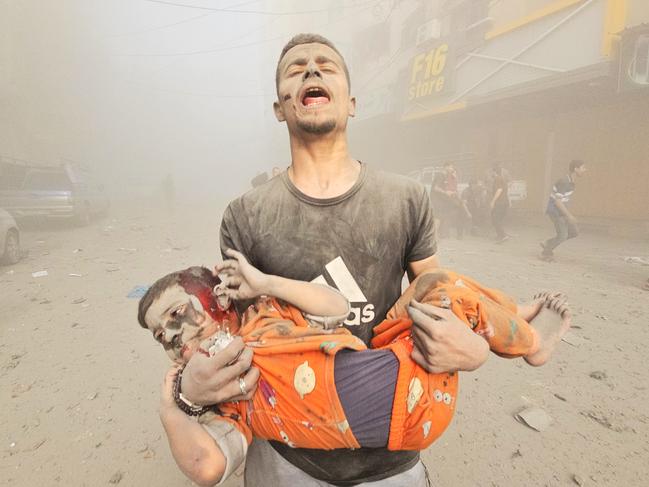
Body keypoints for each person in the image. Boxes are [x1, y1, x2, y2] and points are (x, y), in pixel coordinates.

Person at [177, 33, 489, 486]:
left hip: (392, 454)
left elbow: (440, 298)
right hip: (288, 456)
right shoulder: (245, 215)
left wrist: (474, 350)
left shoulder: (406, 199)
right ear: (280, 109)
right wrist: (189, 392)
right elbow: (234, 334)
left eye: (327, 64)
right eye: (295, 67)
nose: (311, 69)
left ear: (352, 102)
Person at [142, 251, 571, 486]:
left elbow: (337, 306)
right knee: (445, 294)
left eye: (177, 315)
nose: (173, 336)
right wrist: (174, 407)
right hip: (407, 407)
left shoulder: (267, 312)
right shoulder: (226, 395)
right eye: (161, 336)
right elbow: (207, 467)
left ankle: (522, 330)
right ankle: (520, 332)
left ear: (218, 298)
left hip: (398, 367)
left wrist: (268, 283)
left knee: (433, 285)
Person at [540, 160, 588, 262]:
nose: (585, 170)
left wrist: (567, 214)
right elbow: (557, 201)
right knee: (562, 236)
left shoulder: (571, 181)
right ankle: (546, 253)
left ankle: (548, 243)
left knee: (574, 232)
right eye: (583, 168)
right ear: (576, 169)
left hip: (562, 211)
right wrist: (569, 216)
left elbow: (564, 200)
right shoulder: (564, 181)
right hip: (555, 211)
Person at [432, 163, 467, 238]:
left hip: (441, 199)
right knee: (438, 217)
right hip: (437, 199)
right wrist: (446, 192)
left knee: (440, 216)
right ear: (446, 167)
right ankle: (435, 235)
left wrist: (454, 179)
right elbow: (436, 188)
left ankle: (436, 234)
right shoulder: (441, 175)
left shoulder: (446, 177)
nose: (452, 168)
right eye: (451, 167)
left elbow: (450, 187)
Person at [489, 164, 510, 243]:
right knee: (497, 219)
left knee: (495, 218)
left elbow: (499, 190)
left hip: (500, 202)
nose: (491, 173)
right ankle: (499, 235)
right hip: (504, 202)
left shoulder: (497, 179)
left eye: (492, 172)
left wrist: (493, 201)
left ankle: (503, 235)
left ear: (494, 172)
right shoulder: (502, 179)